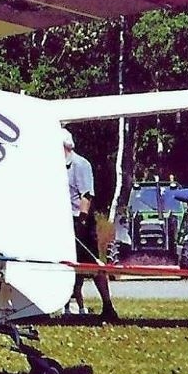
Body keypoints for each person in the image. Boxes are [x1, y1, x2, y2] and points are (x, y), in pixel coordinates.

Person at [65, 130, 117, 321]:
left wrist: (82, 221)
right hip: (64, 220)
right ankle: (69, 306)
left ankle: (108, 306)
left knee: (93, 264)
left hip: (80, 221)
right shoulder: (57, 166)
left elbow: (86, 195)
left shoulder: (80, 164)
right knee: (69, 265)